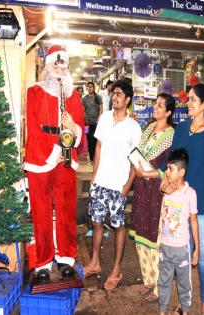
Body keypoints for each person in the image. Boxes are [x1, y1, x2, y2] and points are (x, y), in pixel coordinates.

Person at [160, 83, 204, 315]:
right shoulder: (181, 129)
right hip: (180, 203)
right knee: (183, 257)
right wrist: (163, 177)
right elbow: (171, 158)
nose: (187, 103)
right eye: (187, 99)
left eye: (192, 100)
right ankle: (184, 302)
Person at [24, 44, 85, 279]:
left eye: (63, 64)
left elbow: (78, 127)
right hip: (42, 159)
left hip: (66, 161)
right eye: (55, 64)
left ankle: (66, 257)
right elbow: (34, 129)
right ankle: (43, 261)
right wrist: (52, 153)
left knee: (66, 208)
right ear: (47, 66)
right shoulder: (35, 92)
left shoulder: (74, 95)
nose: (60, 68)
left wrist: (73, 132)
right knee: (40, 211)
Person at [84, 79, 142, 290]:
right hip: (100, 182)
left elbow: (136, 160)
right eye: (114, 93)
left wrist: (128, 185)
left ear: (127, 99)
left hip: (118, 185)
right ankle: (95, 262)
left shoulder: (134, 127)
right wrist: (94, 175)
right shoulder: (104, 118)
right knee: (97, 222)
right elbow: (98, 147)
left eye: (118, 94)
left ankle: (116, 269)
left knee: (118, 226)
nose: (114, 97)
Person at [128, 93, 176, 302]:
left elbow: (168, 167)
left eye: (160, 105)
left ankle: (160, 287)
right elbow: (138, 153)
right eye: (155, 104)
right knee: (141, 235)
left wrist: (147, 173)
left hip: (156, 190)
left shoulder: (172, 135)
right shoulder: (148, 129)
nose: (155, 108)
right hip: (141, 189)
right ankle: (149, 281)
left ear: (169, 112)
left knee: (155, 238)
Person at [158, 148, 199, 315]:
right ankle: (162, 311)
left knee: (184, 283)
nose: (167, 172)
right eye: (167, 168)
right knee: (163, 281)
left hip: (182, 248)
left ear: (181, 172)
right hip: (166, 246)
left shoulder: (190, 194)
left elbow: (194, 221)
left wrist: (197, 247)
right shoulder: (167, 190)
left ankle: (185, 310)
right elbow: (162, 190)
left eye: (170, 169)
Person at [82, 81, 103, 162]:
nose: (90, 88)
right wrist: (84, 117)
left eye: (91, 86)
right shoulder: (84, 99)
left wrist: (99, 118)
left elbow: (101, 108)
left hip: (96, 122)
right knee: (88, 139)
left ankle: (95, 156)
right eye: (89, 87)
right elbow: (82, 110)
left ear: (94, 88)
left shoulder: (98, 97)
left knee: (95, 139)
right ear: (87, 88)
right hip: (87, 123)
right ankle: (91, 157)